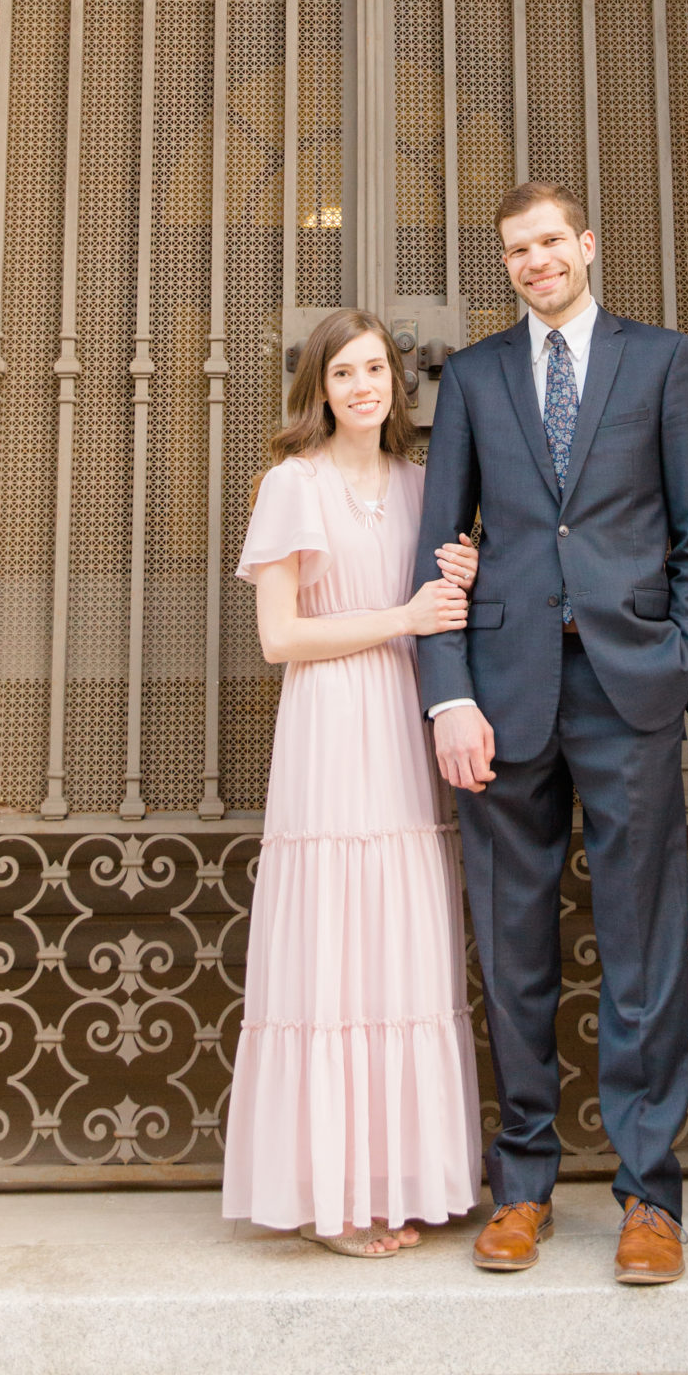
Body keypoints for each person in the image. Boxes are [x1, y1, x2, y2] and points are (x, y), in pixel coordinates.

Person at [413, 182, 688, 1286]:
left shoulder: (661, 362)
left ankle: (650, 1196)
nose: (535, 261)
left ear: (587, 243)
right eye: (515, 249)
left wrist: (684, 658)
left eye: (550, 241)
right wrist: (448, 694)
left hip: (630, 687)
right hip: (503, 696)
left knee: (642, 947)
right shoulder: (477, 376)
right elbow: (440, 543)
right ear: (503, 263)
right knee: (513, 952)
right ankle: (524, 1186)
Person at [223, 309, 482, 1257]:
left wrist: (466, 573)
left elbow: (447, 609)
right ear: (319, 389)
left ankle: (390, 1178)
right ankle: (329, 1200)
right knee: (332, 947)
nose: (363, 386)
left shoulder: (426, 488)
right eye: (344, 374)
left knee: (399, 946)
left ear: (397, 381)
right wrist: (401, 616)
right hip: (332, 727)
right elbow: (280, 638)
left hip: (404, 730)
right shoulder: (292, 485)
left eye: (376, 369)